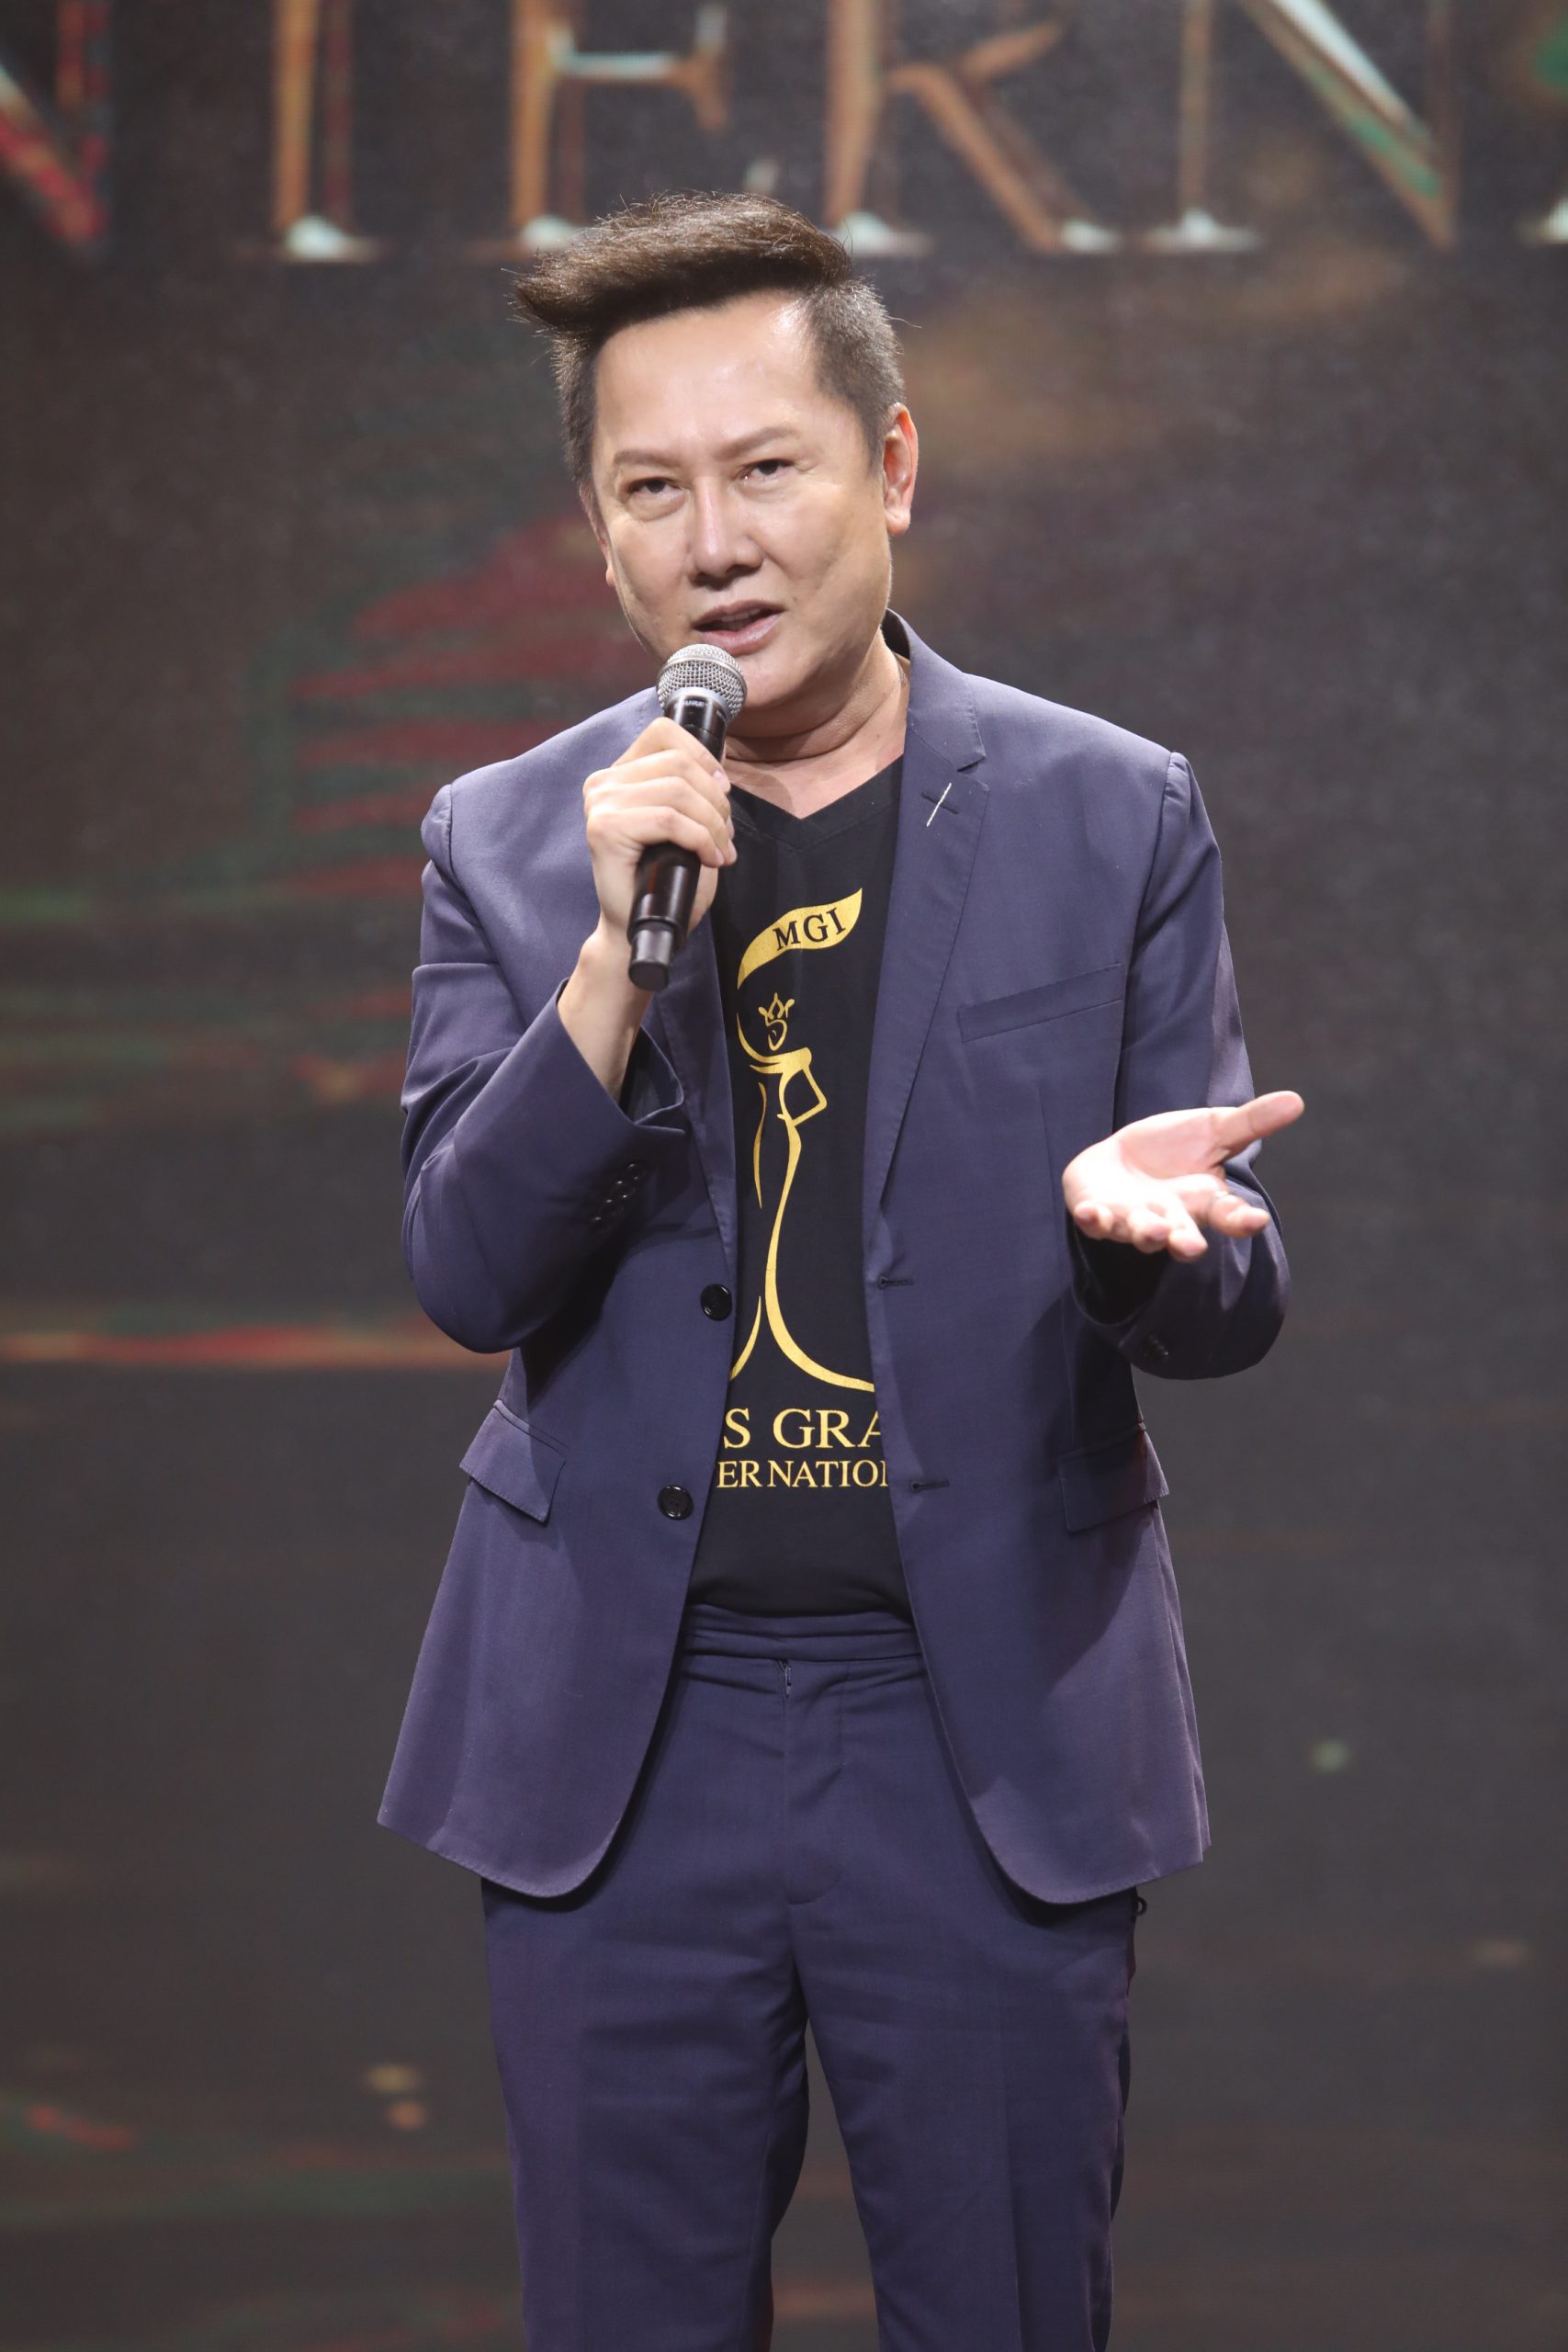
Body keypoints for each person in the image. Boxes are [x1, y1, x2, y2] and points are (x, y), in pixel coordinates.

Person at [378, 188, 1303, 2351]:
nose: (715, 540)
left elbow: (1228, 1300)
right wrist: (608, 976)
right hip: (622, 1735)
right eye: (651, 490)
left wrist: (1143, 1244)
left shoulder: (1108, 810)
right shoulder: (507, 841)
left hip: (974, 1721)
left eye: (765, 468)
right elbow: (464, 1265)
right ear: (599, 536)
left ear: (888, 468)